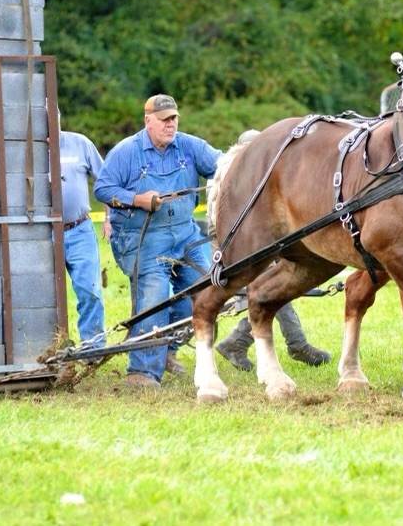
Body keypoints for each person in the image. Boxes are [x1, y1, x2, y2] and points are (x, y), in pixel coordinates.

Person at [94, 94, 220, 390]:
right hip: (141, 238)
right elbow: (102, 188)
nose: (170, 124)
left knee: (206, 289)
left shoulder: (189, 146)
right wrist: (136, 199)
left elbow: (222, 165)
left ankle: (167, 351)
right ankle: (142, 372)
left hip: (186, 233)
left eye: (174, 118)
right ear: (148, 120)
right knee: (155, 298)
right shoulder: (127, 152)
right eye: (164, 120)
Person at [205, 129, 331, 371]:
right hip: (234, 245)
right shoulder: (234, 174)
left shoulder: (255, 174)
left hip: (259, 242)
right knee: (273, 289)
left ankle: (240, 343)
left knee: (277, 288)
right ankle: (295, 344)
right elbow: (222, 222)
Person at [59, 120, 108, 347]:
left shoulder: (80, 143)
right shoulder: (27, 149)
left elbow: (106, 180)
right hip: (41, 235)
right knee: (47, 296)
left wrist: (109, 219)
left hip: (80, 229)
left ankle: (93, 347)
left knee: (89, 290)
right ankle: (55, 347)